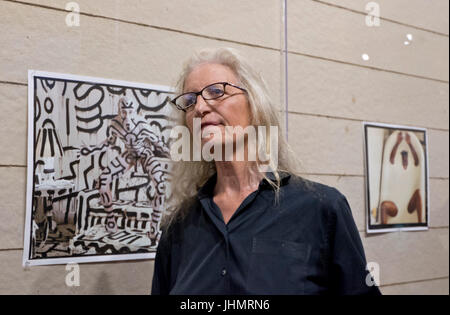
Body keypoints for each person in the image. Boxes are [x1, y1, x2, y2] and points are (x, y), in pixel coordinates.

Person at [151, 47, 381, 295]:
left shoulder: (321, 209)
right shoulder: (178, 227)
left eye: (216, 91)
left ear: (255, 104)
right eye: (189, 100)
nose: (200, 108)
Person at [80, 96, 169, 246]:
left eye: (130, 111)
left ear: (135, 111)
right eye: (123, 111)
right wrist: (90, 149)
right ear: (119, 111)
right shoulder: (115, 124)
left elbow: (158, 143)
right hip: (129, 155)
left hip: (145, 153)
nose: (127, 115)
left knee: (160, 186)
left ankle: (153, 229)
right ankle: (111, 220)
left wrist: (176, 155)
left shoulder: (142, 124)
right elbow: (110, 142)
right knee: (103, 181)